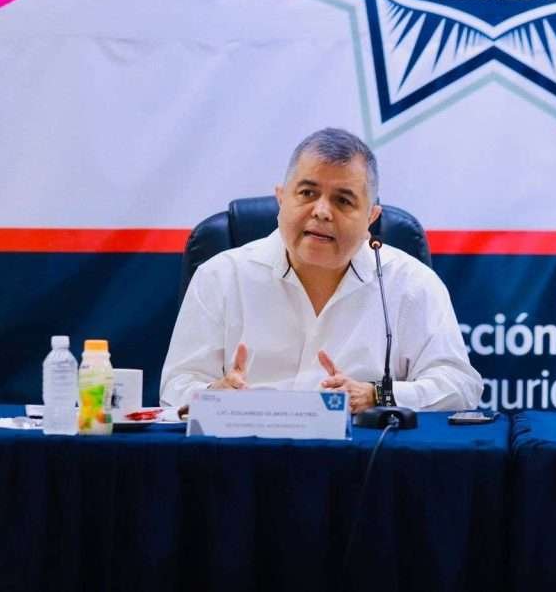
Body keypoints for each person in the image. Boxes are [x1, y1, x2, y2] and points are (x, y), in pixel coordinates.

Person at [160, 128, 482, 412]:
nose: (322, 211)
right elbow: (177, 386)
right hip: (242, 452)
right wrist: (213, 395)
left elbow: (460, 386)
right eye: (307, 193)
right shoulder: (220, 277)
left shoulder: (411, 283)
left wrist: (378, 396)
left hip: (361, 456)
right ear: (281, 198)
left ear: (370, 217)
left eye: (343, 201)